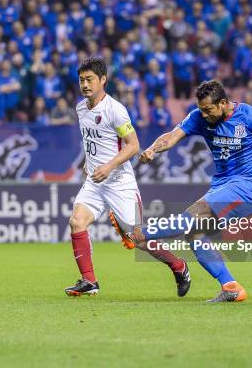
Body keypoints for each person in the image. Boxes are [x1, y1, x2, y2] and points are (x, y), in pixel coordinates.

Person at [132, 80, 252, 302]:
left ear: (223, 103)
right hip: (221, 186)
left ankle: (141, 232)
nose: (204, 115)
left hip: (245, 187)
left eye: (208, 110)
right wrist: (153, 149)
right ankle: (231, 287)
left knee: (190, 218)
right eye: (201, 109)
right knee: (195, 234)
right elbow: (172, 136)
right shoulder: (198, 117)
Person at [65, 57, 190, 297]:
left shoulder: (115, 110)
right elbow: (92, 142)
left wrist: (109, 166)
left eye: (90, 79)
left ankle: (179, 266)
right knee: (76, 222)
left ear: (103, 80)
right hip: (94, 179)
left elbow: (133, 146)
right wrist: (86, 163)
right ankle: (89, 281)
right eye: (81, 80)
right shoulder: (81, 108)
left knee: (140, 239)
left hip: (119, 182)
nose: (85, 84)